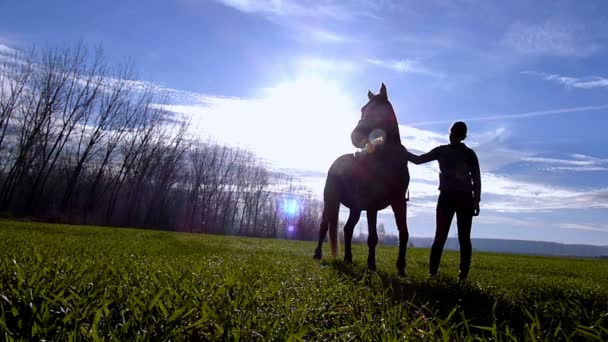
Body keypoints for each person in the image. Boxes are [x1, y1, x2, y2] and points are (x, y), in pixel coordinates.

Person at [406, 121, 481, 281]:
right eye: (452, 132)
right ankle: (433, 273)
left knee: (462, 238)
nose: (453, 135)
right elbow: (419, 160)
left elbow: (476, 179)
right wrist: (402, 152)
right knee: (442, 236)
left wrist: (476, 201)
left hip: (463, 199)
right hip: (448, 197)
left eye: (456, 133)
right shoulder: (442, 151)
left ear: (462, 136)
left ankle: (462, 276)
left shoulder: (469, 154)